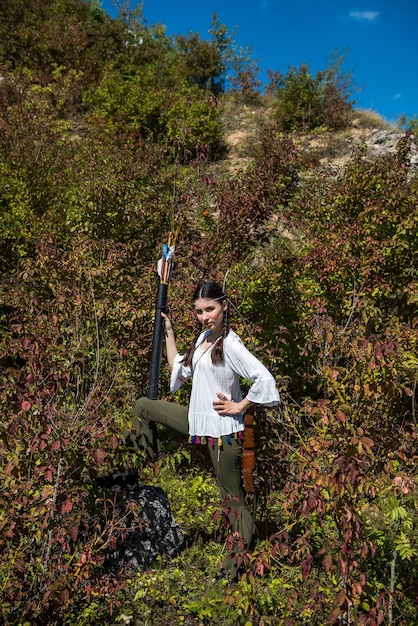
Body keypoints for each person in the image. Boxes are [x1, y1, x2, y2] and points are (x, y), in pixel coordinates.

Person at [127, 280, 280, 578]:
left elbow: (264, 379)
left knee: (233, 502)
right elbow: (180, 369)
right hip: (198, 420)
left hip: (223, 432)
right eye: (199, 311)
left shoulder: (231, 344)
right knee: (143, 406)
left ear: (224, 306)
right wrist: (169, 334)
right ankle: (136, 469)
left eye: (210, 309)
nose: (204, 316)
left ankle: (236, 566)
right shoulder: (202, 340)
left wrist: (239, 406)